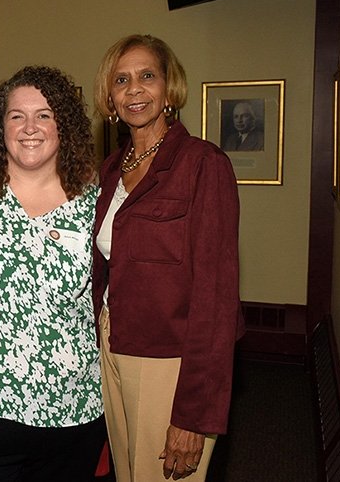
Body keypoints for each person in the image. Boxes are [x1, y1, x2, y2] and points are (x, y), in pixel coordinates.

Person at [0, 66, 107, 481]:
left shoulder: (95, 205)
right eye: (16, 116)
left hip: (71, 419)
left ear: (64, 125)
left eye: (44, 115)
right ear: (0, 126)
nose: (30, 127)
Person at [91, 35, 243, 481]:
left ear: (169, 87)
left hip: (169, 361)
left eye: (146, 76)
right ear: (110, 97)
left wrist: (195, 413)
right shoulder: (111, 169)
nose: (134, 90)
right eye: (122, 80)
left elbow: (217, 299)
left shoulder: (204, 166)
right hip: (110, 344)